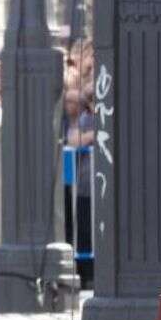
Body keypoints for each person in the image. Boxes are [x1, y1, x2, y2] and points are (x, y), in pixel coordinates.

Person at [61, 87, 96, 286]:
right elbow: (73, 140)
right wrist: (93, 133)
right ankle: (86, 274)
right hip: (84, 185)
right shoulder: (85, 119)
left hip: (102, 186)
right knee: (83, 230)